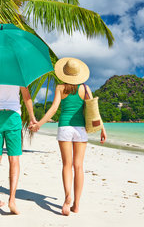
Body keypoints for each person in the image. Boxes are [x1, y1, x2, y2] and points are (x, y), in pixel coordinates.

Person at [30, 57, 107, 216]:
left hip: (64, 127)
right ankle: (76, 205)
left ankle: (67, 198)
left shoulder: (60, 88)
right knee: (78, 166)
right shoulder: (85, 88)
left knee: (67, 165)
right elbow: (93, 111)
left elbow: (53, 109)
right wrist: (102, 129)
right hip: (80, 130)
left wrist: (39, 124)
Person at [0, 84, 37, 215]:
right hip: (13, 116)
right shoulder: (18, 71)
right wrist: (32, 118)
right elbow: (27, 97)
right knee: (14, 158)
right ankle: (12, 199)